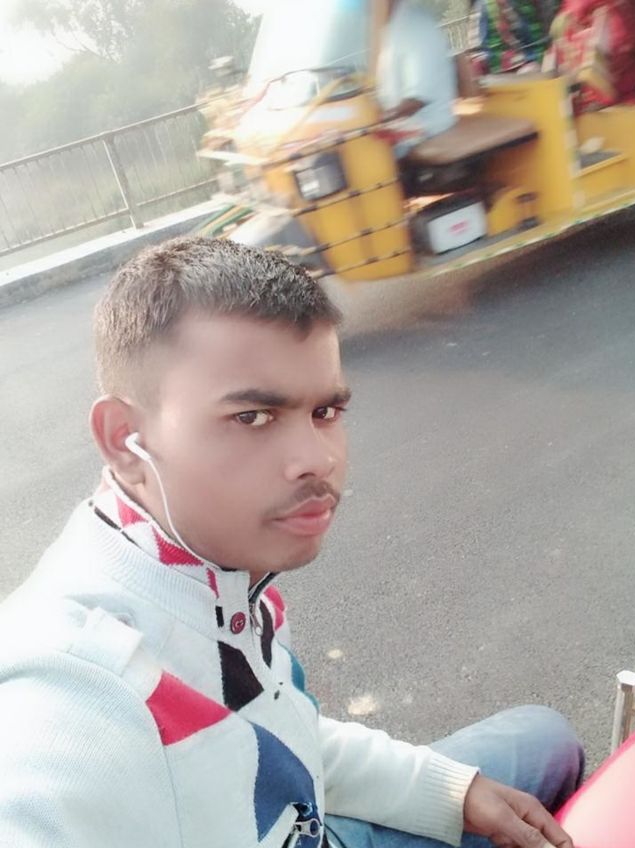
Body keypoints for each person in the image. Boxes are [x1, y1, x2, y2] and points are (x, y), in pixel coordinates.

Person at [0, 236, 583, 848]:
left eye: (325, 412)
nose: (317, 459)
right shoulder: (74, 684)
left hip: (310, 822)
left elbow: (271, 739)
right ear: (124, 440)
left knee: (546, 740)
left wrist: (450, 792)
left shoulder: (216, 569)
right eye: (252, 417)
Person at [376, 0, 458, 156]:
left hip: (426, 128)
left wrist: (375, 121)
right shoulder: (377, 25)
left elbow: (416, 101)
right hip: (396, 126)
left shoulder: (418, 26)